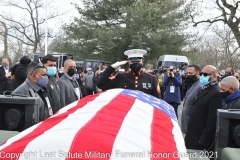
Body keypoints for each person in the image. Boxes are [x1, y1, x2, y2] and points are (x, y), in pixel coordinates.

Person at [184, 65, 222, 159]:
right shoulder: (204, 88)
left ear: (213, 76)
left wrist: (203, 140)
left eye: (205, 74)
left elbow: (212, 119)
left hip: (200, 139)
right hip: (193, 134)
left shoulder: (216, 92)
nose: (202, 76)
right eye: (201, 74)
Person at [219, 76, 240, 147]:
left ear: (232, 90)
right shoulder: (229, 100)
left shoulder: (237, 104)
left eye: (222, 89)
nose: (220, 91)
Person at [181, 64, 202, 134]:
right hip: (187, 124)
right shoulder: (192, 84)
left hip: (192, 125)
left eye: (190, 73)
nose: (188, 75)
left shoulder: (200, 86)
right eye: (187, 73)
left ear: (198, 74)